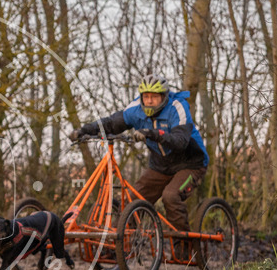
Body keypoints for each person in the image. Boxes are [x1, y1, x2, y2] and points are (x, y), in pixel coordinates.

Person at [68, 74, 209, 260]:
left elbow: (180, 141)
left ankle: (184, 250)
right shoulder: (135, 109)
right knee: (132, 200)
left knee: (170, 196)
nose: (149, 101)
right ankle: (117, 247)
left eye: (154, 97)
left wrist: (153, 133)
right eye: (146, 96)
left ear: (164, 96)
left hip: (191, 164)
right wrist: (84, 130)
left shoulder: (177, 107)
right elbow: (111, 123)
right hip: (160, 167)